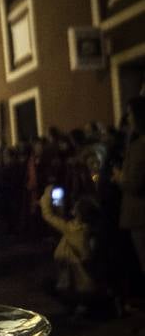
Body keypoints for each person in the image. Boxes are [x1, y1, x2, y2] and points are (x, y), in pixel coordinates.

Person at [39, 183, 106, 317]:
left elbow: (49, 216)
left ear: (80, 214)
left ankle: (77, 305)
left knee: (47, 284)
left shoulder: (73, 230)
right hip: (91, 285)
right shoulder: (91, 230)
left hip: (77, 286)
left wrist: (47, 196)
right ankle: (84, 304)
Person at [115, 96, 145, 295]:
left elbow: (134, 183)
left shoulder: (140, 146)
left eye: (130, 114)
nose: (128, 119)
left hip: (140, 216)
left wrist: (118, 177)